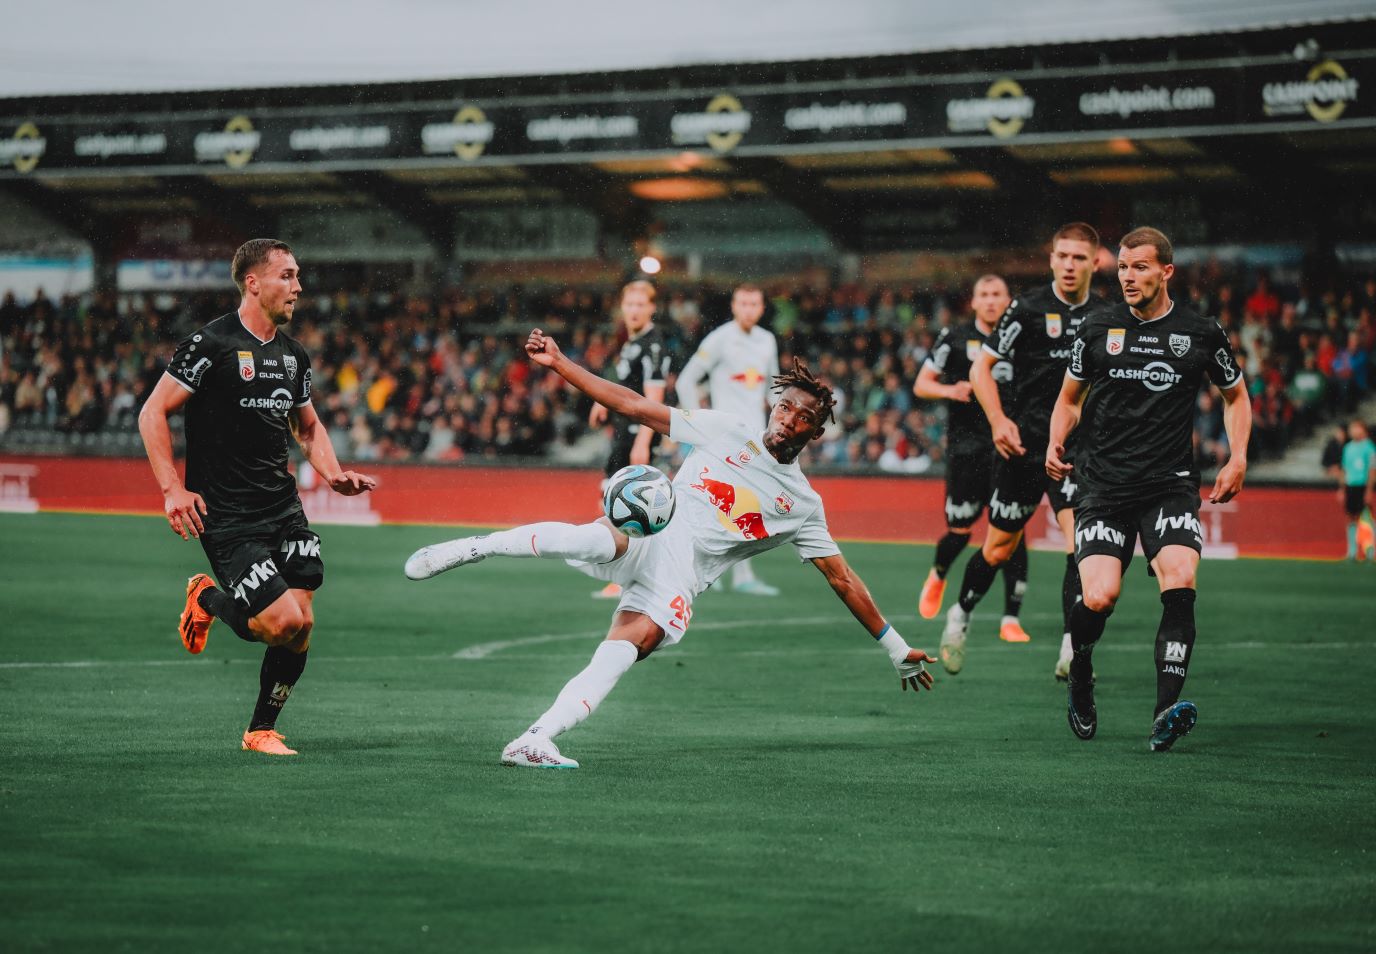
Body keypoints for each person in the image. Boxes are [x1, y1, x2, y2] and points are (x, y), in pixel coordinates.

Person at [404, 330, 936, 769]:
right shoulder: (727, 429)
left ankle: (536, 738)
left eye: (802, 417)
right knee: (596, 536)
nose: (788, 418)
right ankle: (475, 547)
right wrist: (561, 363)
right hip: (657, 527)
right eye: (785, 406)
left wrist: (896, 647)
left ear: (816, 432)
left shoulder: (802, 503)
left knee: (617, 655)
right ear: (774, 405)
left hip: (680, 580)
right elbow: (635, 405)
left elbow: (840, 578)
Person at [138, 239, 376, 756]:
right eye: (287, 276)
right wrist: (172, 488)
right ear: (254, 282)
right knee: (281, 621)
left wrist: (333, 475)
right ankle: (206, 597)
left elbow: (306, 426)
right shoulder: (211, 344)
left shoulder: (293, 357)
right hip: (228, 516)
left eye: (297, 276)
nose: (298, 286)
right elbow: (151, 412)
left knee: (303, 624)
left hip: (283, 508)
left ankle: (260, 730)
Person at [1046, 226, 1251, 752]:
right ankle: (1083, 669)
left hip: (1170, 483)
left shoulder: (1201, 333)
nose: (1127, 276)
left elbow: (1235, 396)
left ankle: (1164, 713)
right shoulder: (1096, 328)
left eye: (1139, 267)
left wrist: (1239, 455)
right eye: (1122, 266)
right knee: (1100, 595)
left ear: (1166, 272)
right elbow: (1069, 398)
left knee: (1180, 580)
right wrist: (1055, 441)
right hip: (1103, 485)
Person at [940, 223, 1116, 679]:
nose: (1070, 265)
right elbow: (983, 369)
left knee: (1080, 547)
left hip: (1076, 452)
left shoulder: (1107, 316)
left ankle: (1071, 649)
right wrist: (999, 420)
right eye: (1063, 256)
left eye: (1080, 257)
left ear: (1095, 262)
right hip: (1022, 448)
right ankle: (959, 616)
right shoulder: (1028, 309)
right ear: (1052, 259)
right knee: (997, 549)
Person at [913, 274, 1031, 643]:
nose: (992, 301)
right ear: (974, 302)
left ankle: (1010, 618)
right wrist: (952, 389)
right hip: (966, 451)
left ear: (1009, 300)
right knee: (960, 531)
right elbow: (921, 384)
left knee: (1013, 532)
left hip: (1010, 447)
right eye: (985, 295)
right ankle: (939, 571)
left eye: (998, 294)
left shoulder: (1024, 339)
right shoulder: (956, 337)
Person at [675, 282, 782, 596]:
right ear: (734, 306)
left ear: (762, 308)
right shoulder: (720, 339)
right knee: (727, 502)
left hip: (756, 439)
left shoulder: (767, 341)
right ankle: (729, 573)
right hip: (722, 437)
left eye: (754, 304)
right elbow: (686, 380)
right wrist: (695, 422)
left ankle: (716, 571)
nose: (748, 309)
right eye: (743, 303)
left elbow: (774, 390)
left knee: (734, 504)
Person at [589, 279, 673, 600]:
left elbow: (653, 399)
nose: (635, 310)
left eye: (641, 304)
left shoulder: (653, 344)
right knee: (612, 499)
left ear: (652, 308)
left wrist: (643, 441)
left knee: (630, 508)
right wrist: (603, 402)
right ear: (622, 307)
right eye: (630, 304)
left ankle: (630, 578)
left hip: (638, 435)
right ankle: (629, 575)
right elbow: (626, 384)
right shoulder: (632, 342)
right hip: (625, 432)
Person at [1338, 419, 1376, 560]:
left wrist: (1369, 490)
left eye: (1356, 428)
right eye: (1352, 428)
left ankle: (1370, 551)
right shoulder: (1348, 447)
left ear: (1363, 429)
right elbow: (1344, 469)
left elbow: (1372, 470)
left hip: (1362, 485)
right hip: (1350, 486)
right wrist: (1342, 489)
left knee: (1366, 517)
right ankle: (1352, 552)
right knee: (1350, 518)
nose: (1353, 431)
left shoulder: (1369, 447)